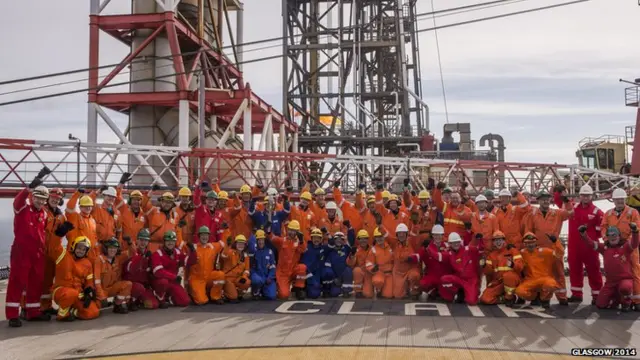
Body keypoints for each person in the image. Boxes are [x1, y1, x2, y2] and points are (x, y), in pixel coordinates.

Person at [6, 166, 53, 327]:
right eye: (38, 198)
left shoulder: (44, 214)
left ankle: (33, 311)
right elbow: (18, 200)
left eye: (43, 199)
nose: (40, 201)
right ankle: (12, 314)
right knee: (17, 281)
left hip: (38, 253)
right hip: (22, 251)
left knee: (36, 282)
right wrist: (29, 187)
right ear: (32, 197)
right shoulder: (23, 208)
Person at [554, 184, 603, 303]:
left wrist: (594, 240)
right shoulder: (573, 207)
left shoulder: (597, 212)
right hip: (574, 246)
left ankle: (597, 295)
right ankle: (576, 294)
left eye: (587, 196)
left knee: (594, 270)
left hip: (589, 247)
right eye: (583, 195)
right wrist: (559, 191)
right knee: (574, 269)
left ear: (591, 196)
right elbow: (559, 202)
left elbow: (601, 229)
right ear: (580, 196)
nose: (585, 198)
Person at [580, 224, 639, 311]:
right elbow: (591, 244)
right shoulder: (604, 248)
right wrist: (583, 234)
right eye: (609, 235)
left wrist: (635, 231)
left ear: (619, 236)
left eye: (614, 235)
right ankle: (616, 300)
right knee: (600, 304)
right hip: (610, 282)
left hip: (625, 280)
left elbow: (635, 243)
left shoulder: (625, 247)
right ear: (607, 237)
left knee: (625, 288)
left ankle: (626, 302)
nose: (612, 237)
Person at [51, 236, 100, 321]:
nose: (81, 251)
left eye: (83, 249)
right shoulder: (63, 255)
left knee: (93, 311)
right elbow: (54, 246)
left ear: (86, 251)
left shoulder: (87, 264)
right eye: (79, 248)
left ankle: (72, 311)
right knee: (71, 294)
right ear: (74, 247)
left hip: (78, 294)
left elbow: (89, 282)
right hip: (61, 292)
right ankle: (62, 315)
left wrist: (89, 290)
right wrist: (58, 235)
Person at [515, 233, 561, 309]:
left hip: (545, 278)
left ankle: (545, 299)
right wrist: (512, 249)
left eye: (532, 242)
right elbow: (515, 260)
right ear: (524, 244)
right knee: (520, 292)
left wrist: (556, 242)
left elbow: (559, 254)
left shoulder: (545, 251)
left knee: (551, 285)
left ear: (536, 242)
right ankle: (535, 297)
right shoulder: (522, 253)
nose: (530, 245)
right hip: (530, 280)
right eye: (527, 243)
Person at [150, 231, 195, 308]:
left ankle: (168, 297)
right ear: (164, 242)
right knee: (163, 282)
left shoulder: (177, 252)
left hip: (172, 282)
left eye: (172, 241)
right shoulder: (157, 254)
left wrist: (193, 252)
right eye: (168, 241)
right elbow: (158, 272)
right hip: (159, 282)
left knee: (185, 301)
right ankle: (160, 297)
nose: (170, 243)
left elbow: (188, 262)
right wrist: (174, 277)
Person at [480, 231, 524, 306]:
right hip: (498, 283)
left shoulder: (512, 251)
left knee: (508, 276)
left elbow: (521, 267)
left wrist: (513, 265)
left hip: (513, 281)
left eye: (500, 240)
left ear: (504, 240)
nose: (498, 242)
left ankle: (509, 298)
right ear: (493, 242)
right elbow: (489, 272)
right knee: (485, 299)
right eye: (496, 240)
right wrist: (484, 265)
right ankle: (503, 298)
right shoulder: (491, 255)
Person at [439, 232, 482, 305]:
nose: (456, 244)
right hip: (459, 279)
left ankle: (473, 291)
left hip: (471, 281)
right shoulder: (449, 254)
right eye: (453, 242)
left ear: (460, 242)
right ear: (450, 244)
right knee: (444, 280)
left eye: (457, 242)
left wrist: (477, 238)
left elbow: (477, 247)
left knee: (471, 302)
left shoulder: (468, 249)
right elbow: (438, 256)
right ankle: (456, 293)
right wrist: (427, 249)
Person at [268, 220, 308, 299]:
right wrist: (268, 229)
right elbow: (272, 238)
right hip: (283, 273)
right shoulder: (282, 241)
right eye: (290, 230)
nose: (291, 232)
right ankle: (279, 288)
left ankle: (297, 289)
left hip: (293, 270)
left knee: (302, 267)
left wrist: (301, 241)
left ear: (297, 232)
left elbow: (303, 249)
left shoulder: (300, 242)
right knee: (283, 295)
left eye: (294, 231)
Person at [187, 226, 226, 305]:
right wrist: (179, 229)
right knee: (201, 301)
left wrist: (226, 229)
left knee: (220, 275)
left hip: (209, 277)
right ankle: (194, 293)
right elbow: (179, 244)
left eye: (206, 235)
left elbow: (223, 243)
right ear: (199, 236)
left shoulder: (212, 247)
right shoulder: (193, 248)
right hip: (197, 279)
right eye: (202, 235)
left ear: (209, 236)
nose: (204, 237)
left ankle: (215, 297)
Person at [94, 238, 132, 314]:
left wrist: (131, 243)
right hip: (101, 290)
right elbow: (96, 280)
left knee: (128, 284)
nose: (112, 250)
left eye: (114, 248)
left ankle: (118, 305)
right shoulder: (99, 260)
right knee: (96, 309)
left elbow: (132, 253)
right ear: (106, 249)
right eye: (110, 248)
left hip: (112, 288)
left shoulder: (118, 258)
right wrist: (101, 296)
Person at [248, 230, 277, 300]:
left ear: (264, 240)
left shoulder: (269, 251)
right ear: (256, 241)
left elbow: (273, 266)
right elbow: (251, 267)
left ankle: (262, 290)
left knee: (271, 296)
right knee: (256, 280)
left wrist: (270, 277)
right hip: (257, 276)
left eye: (262, 240)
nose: (260, 242)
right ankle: (255, 290)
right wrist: (254, 275)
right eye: (259, 240)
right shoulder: (253, 252)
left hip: (267, 277)